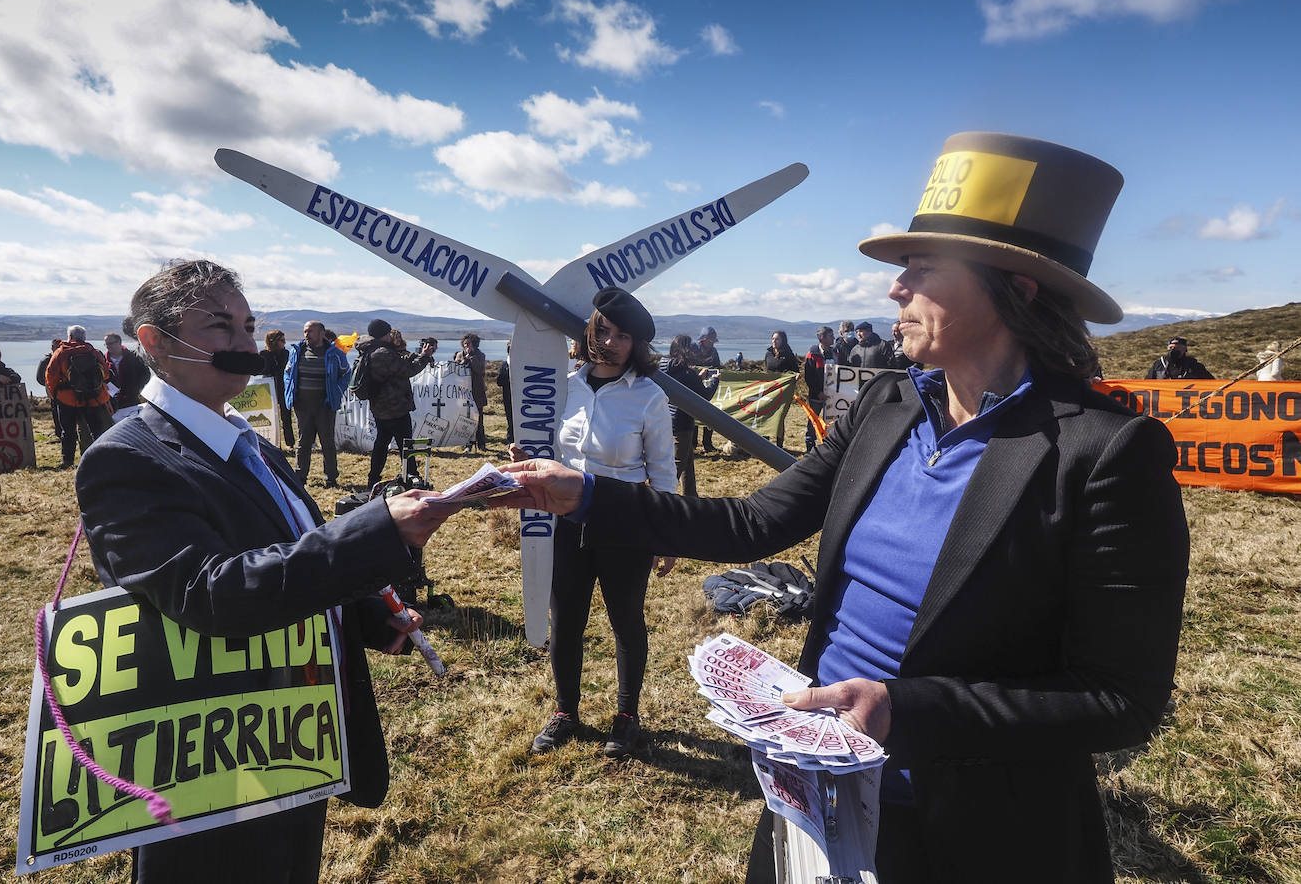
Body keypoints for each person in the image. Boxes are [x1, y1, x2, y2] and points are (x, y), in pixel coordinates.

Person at [496, 132, 1189, 883]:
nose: (896, 288)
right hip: (814, 797)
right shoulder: (887, 407)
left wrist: (907, 711)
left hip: (975, 831)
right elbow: (754, 523)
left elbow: (1120, 698)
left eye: (923, 269)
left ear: (1015, 291)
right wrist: (589, 495)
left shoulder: (1108, 452)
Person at [75, 258, 457, 884]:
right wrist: (375, 531)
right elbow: (208, 593)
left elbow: (288, 547)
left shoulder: (245, 441)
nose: (246, 345)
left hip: (291, 731)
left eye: (249, 326)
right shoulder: (126, 459)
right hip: (208, 750)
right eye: (221, 327)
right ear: (153, 343)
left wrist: (361, 612)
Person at [511, 287, 677, 759]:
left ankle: (627, 717)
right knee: (566, 619)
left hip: (627, 521)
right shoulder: (568, 384)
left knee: (625, 619)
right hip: (569, 518)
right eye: (603, 330)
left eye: (623, 336)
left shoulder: (649, 396)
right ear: (589, 330)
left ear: (637, 346)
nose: (610, 342)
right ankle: (566, 711)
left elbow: (663, 469)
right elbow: (557, 454)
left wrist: (667, 533)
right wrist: (529, 462)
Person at [356, 319, 434, 486]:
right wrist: (425, 356)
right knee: (405, 444)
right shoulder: (383, 353)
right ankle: (411, 476)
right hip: (395, 407)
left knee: (382, 443)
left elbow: (400, 365)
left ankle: (374, 478)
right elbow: (408, 370)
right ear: (385, 334)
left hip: (380, 407)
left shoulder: (371, 350)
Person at [285, 319, 349, 487]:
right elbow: (288, 374)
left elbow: (346, 374)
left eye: (310, 331)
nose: (306, 334)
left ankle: (331, 478)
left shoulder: (334, 353)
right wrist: (290, 394)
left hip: (325, 405)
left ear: (321, 333)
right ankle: (300, 477)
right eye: (305, 331)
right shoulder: (297, 351)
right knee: (303, 442)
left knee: (327, 442)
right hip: (302, 405)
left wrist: (336, 392)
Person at [660, 334, 719, 496]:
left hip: (664, 421)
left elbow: (680, 386)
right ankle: (659, 497)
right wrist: (715, 380)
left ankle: (691, 496)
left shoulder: (663, 368)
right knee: (678, 465)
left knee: (687, 462)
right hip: (683, 423)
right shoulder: (688, 374)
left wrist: (697, 378)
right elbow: (704, 396)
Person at [45, 325, 112, 468]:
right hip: (93, 398)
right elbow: (105, 373)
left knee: (68, 431)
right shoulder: (93, 352)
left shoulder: (61, 353)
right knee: (97, 430)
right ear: (84, 337)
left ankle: (67, 461)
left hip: (67, 399)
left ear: (70, 337)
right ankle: (99, 459)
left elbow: (50, 375)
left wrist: (55, 394)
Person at [258, 330, 295, 448]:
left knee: (286, 416)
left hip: (283, 388)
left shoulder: (286, 353)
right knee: (269, 417)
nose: (284, 343)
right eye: (282, 340)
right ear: (273, 342)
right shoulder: (264, 354)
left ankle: (290, 443)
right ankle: (272, 443)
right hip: (268, 389)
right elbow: (261, 370)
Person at [802, 326, 835, 451]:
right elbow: (809, 377)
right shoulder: (812, 355)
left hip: (832, 396)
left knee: (831, 422)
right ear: (822, 338)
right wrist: (818, 392)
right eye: (830, 336)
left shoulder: (835, 353)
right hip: (816, 397)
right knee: (813, 421)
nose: (833, 338)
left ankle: (828, 445)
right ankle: (810, 446)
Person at [453, 333, 488, 452]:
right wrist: (464, 360)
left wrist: (472, 357)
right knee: (465, 418)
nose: (466, 346)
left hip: (477, 391)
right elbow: (456, 369)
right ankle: (467, 444)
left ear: (475, 344)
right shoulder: (459, 355)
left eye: (469, 344)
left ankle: (481, 443)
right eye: (465, 344)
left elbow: (480, 370)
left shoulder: (480, 355)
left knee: (479, 419)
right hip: (464, 392)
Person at [692, 326, 722, 453]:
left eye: (714, 341)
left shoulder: (714, 352)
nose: (712, 343)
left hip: (708, 386)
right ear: (703, 340)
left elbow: (718, 367)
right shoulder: (692, 349)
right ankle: (692, 443)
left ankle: (707, 443)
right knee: (692, 414)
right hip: (693, 386)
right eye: (711, 340)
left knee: (709, 414)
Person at [104, 332, 151, 410]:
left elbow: (146, 374)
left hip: (132, 399)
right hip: (113, 402)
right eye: (106, 344)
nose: (108, 346)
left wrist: (136, 388)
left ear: (119, 342)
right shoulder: (103, 360)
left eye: (110, 343)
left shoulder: (134, 357)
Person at [1147, 336, 1213, 379]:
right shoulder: (1159, 365)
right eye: (1171, 347)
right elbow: (1147, 384)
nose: (1173, 350)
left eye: (1177, 348)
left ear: (1185, 349)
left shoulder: (1195, 366)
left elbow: (1211, 384)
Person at [37, 338, 65, 439]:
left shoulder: (64, 357)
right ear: (52, 347)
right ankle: (59, 434)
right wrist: (49, 385)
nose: (59, 349)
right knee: (56, 413)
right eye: (57, 347)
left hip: (66, 393)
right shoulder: (46, 360)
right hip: (54, 393)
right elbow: (39, 378)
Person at [496, 340, 514, 444]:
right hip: (508, 396)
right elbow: (499, 382)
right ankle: (511, 441)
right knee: (510, 419)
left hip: (520, 397)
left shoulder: (523, 363)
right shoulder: (505, 364)